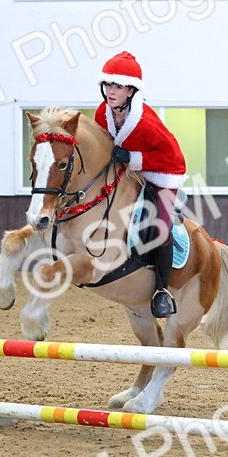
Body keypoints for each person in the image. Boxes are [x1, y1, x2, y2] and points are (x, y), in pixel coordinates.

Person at [94, 51, 186, 318]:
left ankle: (161, 291)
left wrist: (133, 158)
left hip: (163, 174)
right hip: (129, 172)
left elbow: (174, 157)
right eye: (108, 85)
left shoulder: (146, 123)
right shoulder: (103, 113)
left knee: (159, 227)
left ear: (132, 91)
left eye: (118, 86)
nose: (111, 91)